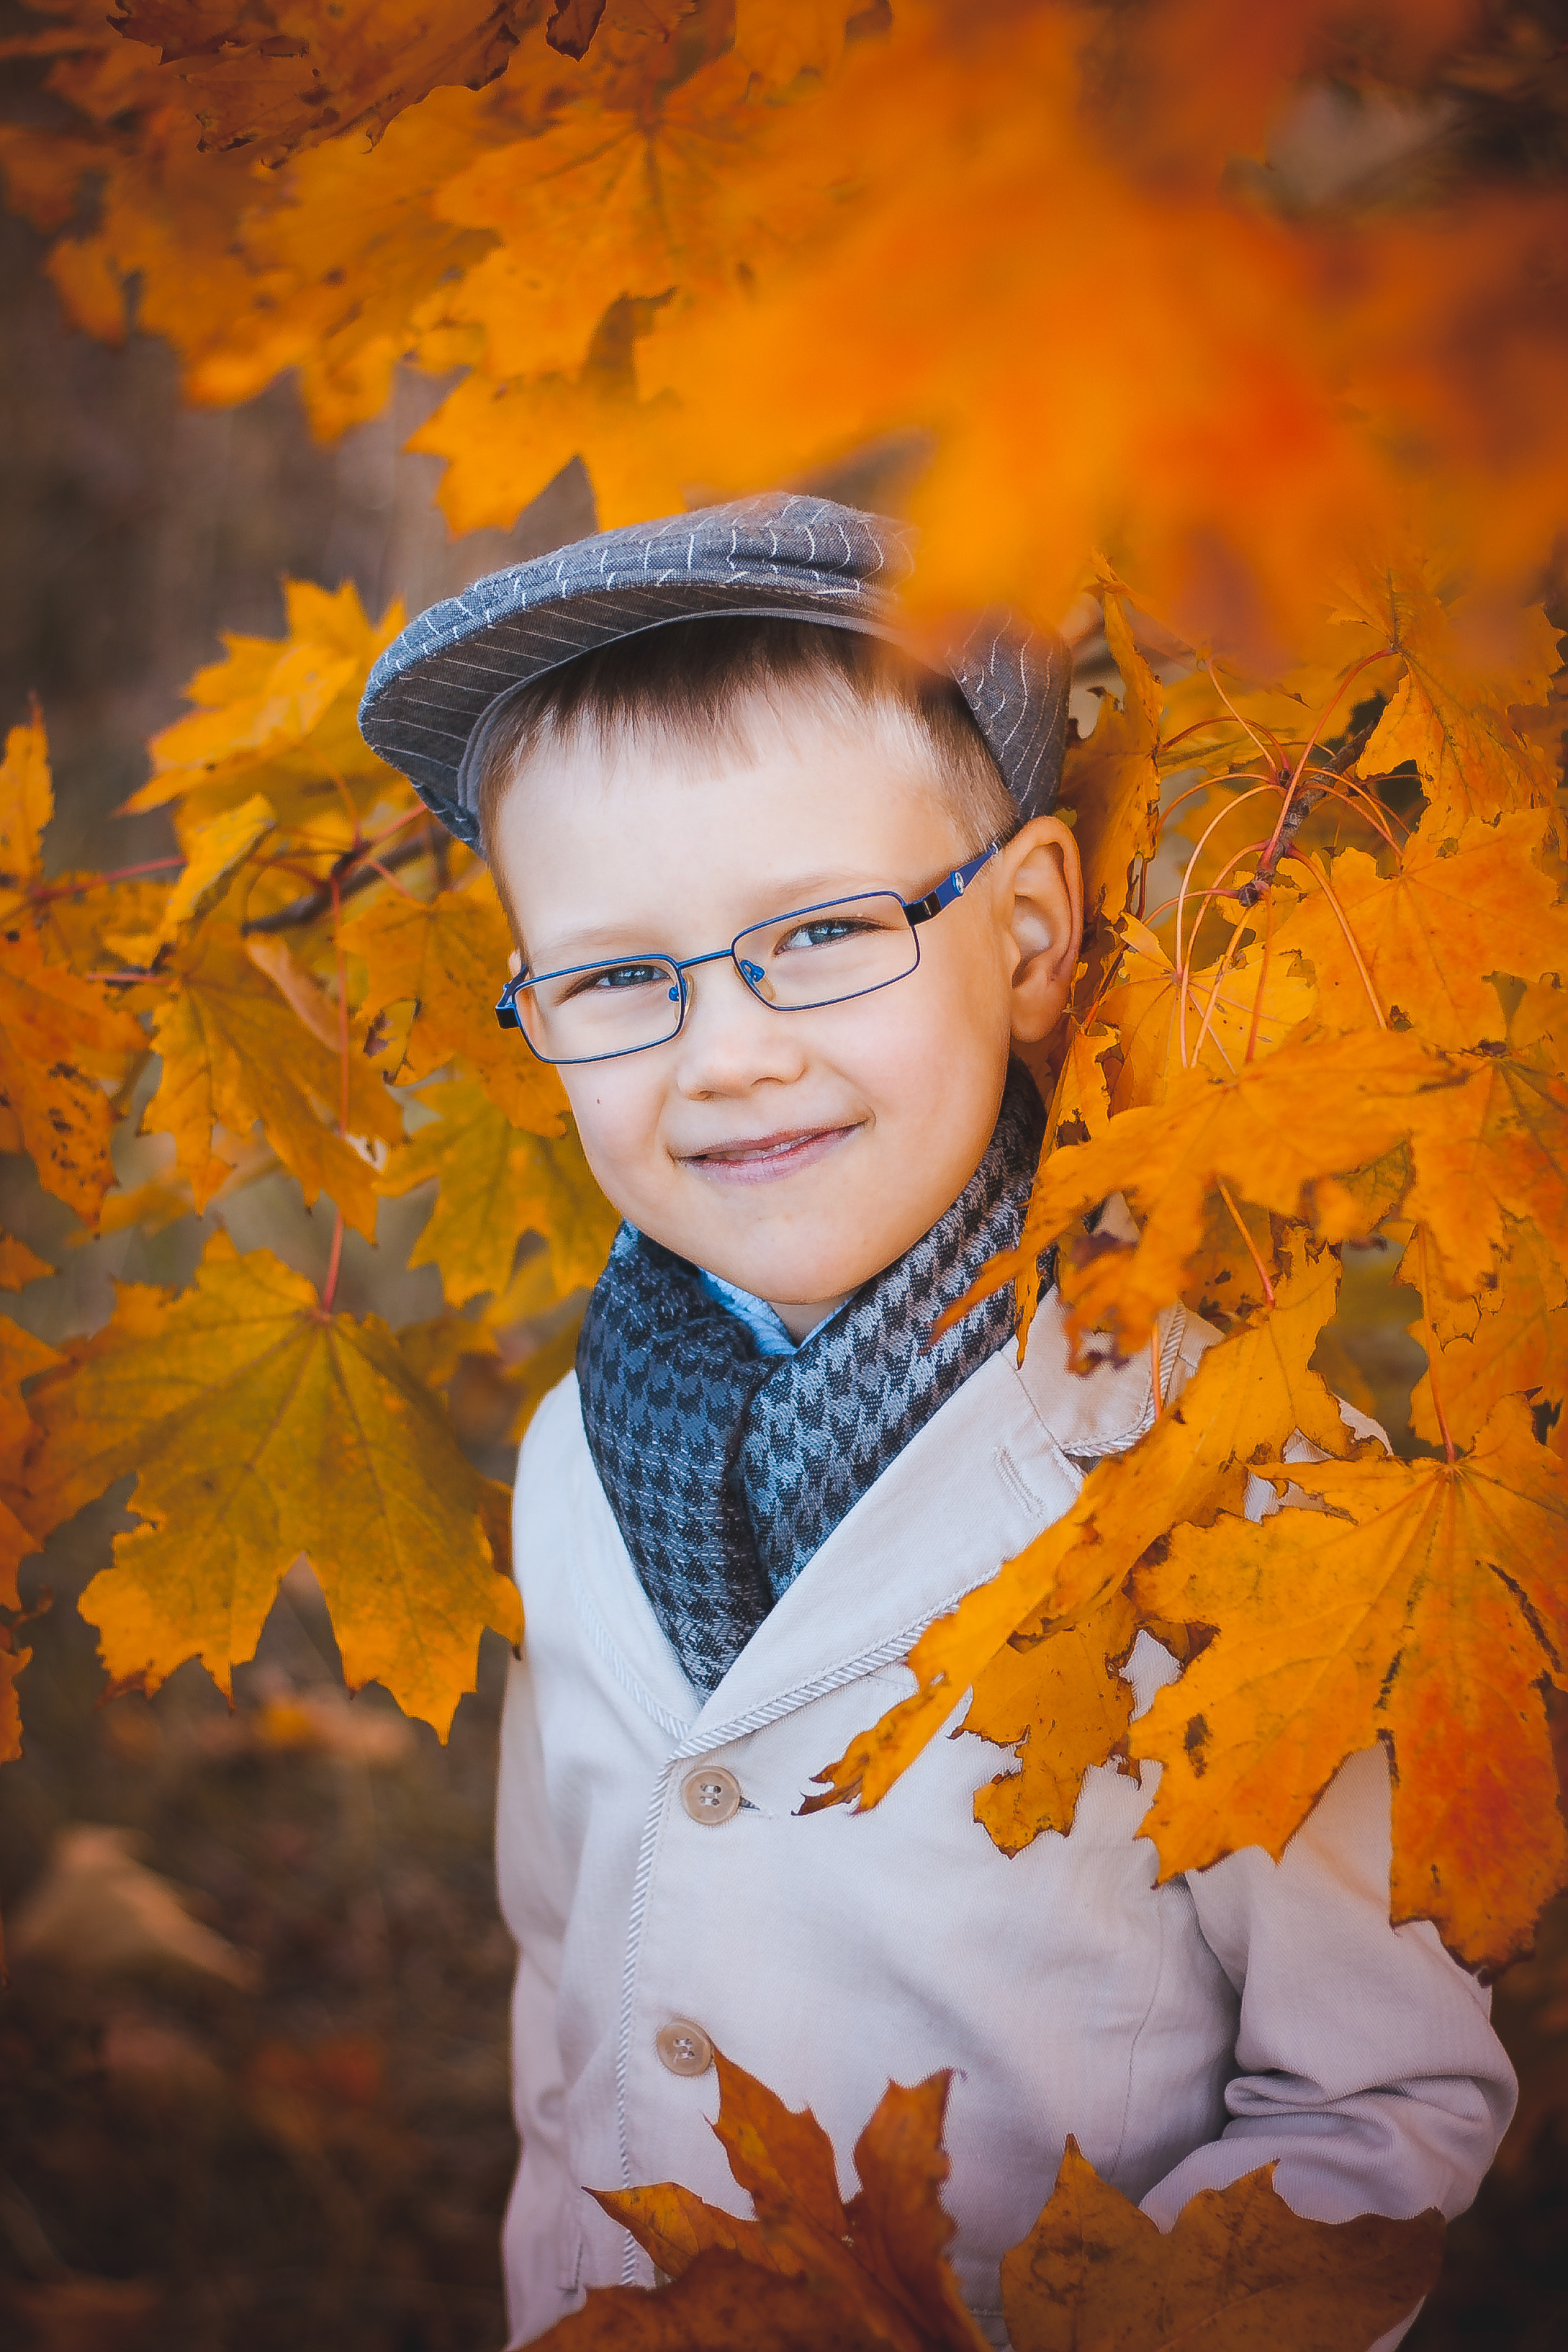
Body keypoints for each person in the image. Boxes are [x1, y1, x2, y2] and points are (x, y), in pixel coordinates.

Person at [359, 493, 1514, 2348]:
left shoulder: (1238, 1484)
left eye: (821, 933)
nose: (726, 1051)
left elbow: (1372, 2110)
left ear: (1037, 932)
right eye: (609, 978)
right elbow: (572, 1973)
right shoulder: (576, 1453)